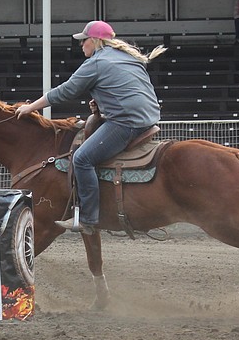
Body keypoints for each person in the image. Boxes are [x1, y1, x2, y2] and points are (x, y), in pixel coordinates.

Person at [14, 20, 165, 235]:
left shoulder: (96, 63)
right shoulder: (129, 58)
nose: (81, 45)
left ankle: (88, 217)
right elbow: (127, 90)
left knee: (82, 158)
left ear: (94, 41)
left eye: (83, 40)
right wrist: (103, 104)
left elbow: (65, 91)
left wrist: (31, 107)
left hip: (126, 123)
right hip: (147, 119)